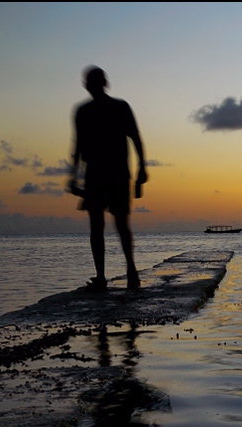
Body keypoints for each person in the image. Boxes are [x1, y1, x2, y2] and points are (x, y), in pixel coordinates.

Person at [68, 65, 147, 291]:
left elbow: (135, 138)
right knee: (103, 226)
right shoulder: (84, 112)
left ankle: (127, 272)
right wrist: (73, 176)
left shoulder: (117, 108)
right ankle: (108, 275)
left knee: (116, 225)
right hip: (100, 175)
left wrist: (142, 169)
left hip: (114, 173)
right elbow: (79, 146)